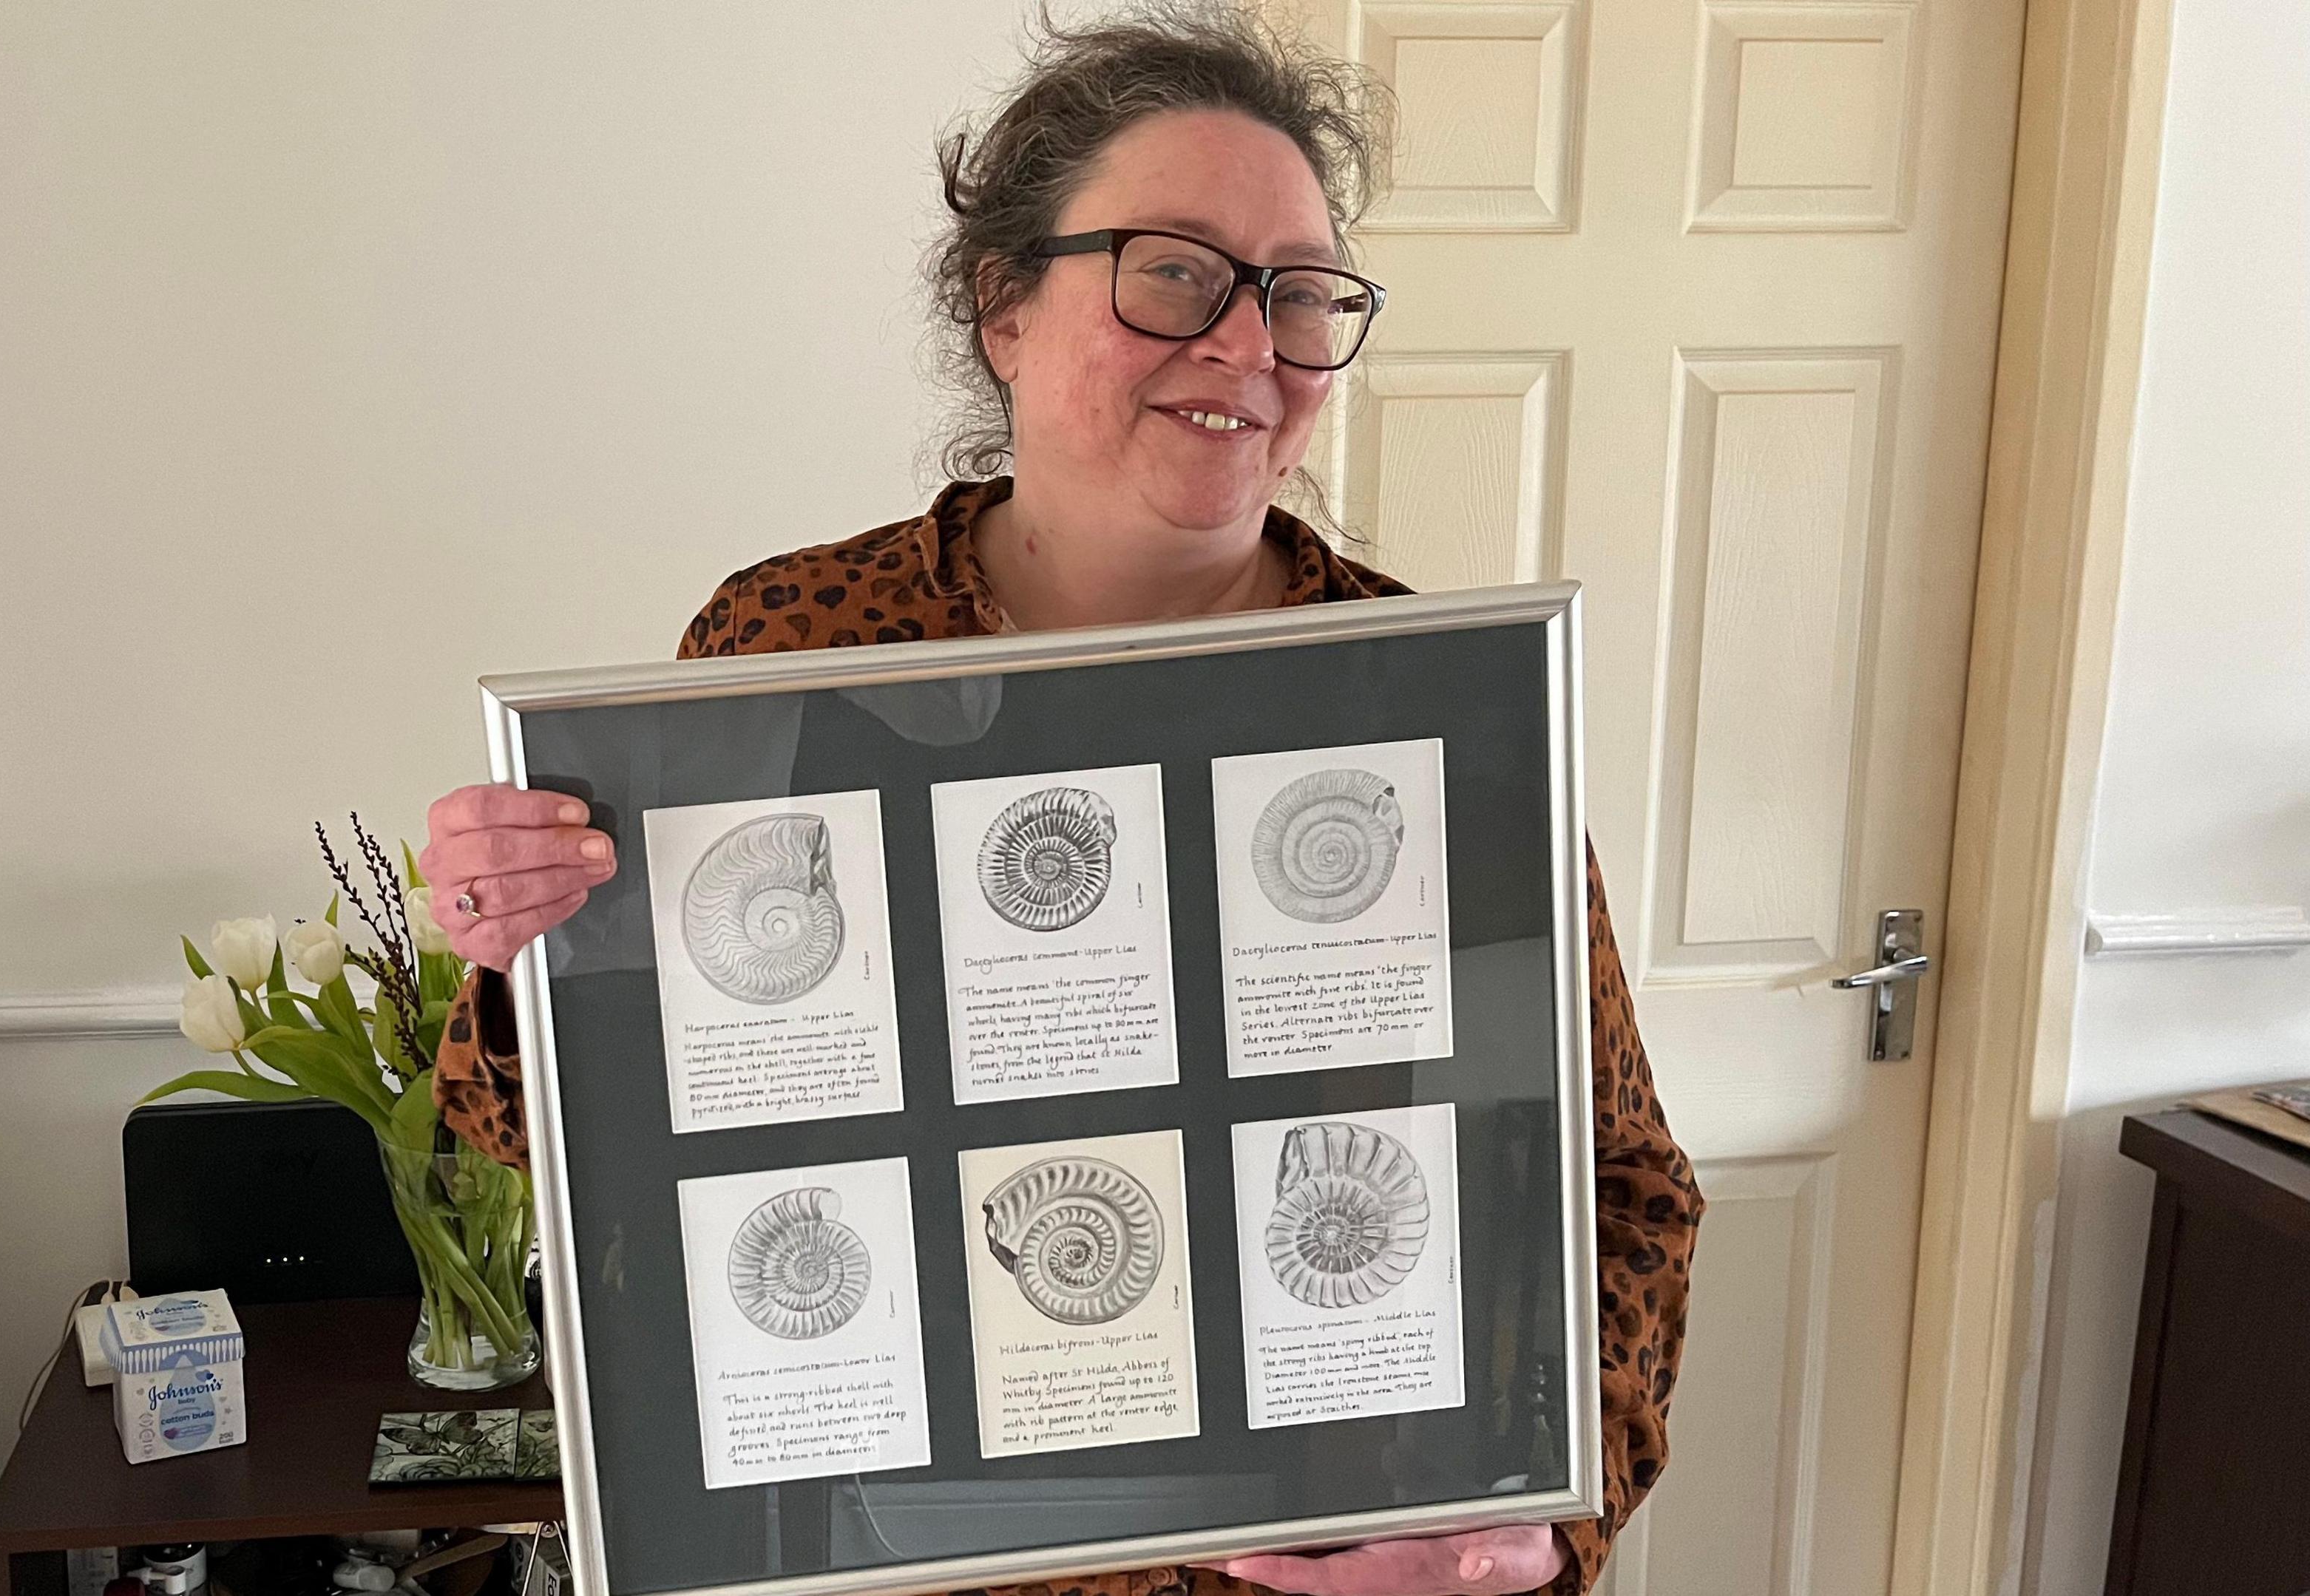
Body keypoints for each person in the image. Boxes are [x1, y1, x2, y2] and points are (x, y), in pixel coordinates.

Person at [416, 11, 1701, 1595]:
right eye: (1176, 271)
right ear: (1004, 307)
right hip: (892, 1556)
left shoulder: (1440, 711)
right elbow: (567, 1138)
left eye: (1302, 296)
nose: (1250, 344)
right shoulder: (782, 654)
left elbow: (1619, 1181)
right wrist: (518, 937)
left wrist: (1535, 1529)